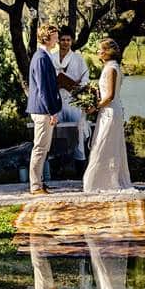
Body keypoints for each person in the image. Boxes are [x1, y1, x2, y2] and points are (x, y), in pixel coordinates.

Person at [82, 38, 134, 193]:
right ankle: (104, 181)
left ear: (106, 52)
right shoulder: (111, 66)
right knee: (106, 145)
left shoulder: (111, 68)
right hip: (109, 111)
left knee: (104, 145)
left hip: (110, 112)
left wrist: (94, 108)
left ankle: (102, 183)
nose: (98, 52)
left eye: (100, 49)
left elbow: (110, 95)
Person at [26, 24, 63, 195]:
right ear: (47, 38)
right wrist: (52, 111)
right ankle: (35, 186)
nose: (57, 38)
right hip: (42, 111)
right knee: (40, 148)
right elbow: (42, 89)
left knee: (43, 148)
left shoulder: (44, 56)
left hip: (44, 110)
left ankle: (39, 183)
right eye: (55, 36)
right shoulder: (41, 58)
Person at [50, 26, 90, 166]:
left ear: (72, 41)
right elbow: (46, 79)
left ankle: (79, 164)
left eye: (68, 40)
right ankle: (58, 164)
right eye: (62, 40)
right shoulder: (51, 58)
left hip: (73, 100)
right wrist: (56, 84)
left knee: (77, 132)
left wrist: (75, 87)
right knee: (56, 132)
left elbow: (85, 79)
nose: (65, 42)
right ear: (58, 41)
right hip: (57, 100)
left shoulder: (78, 59)